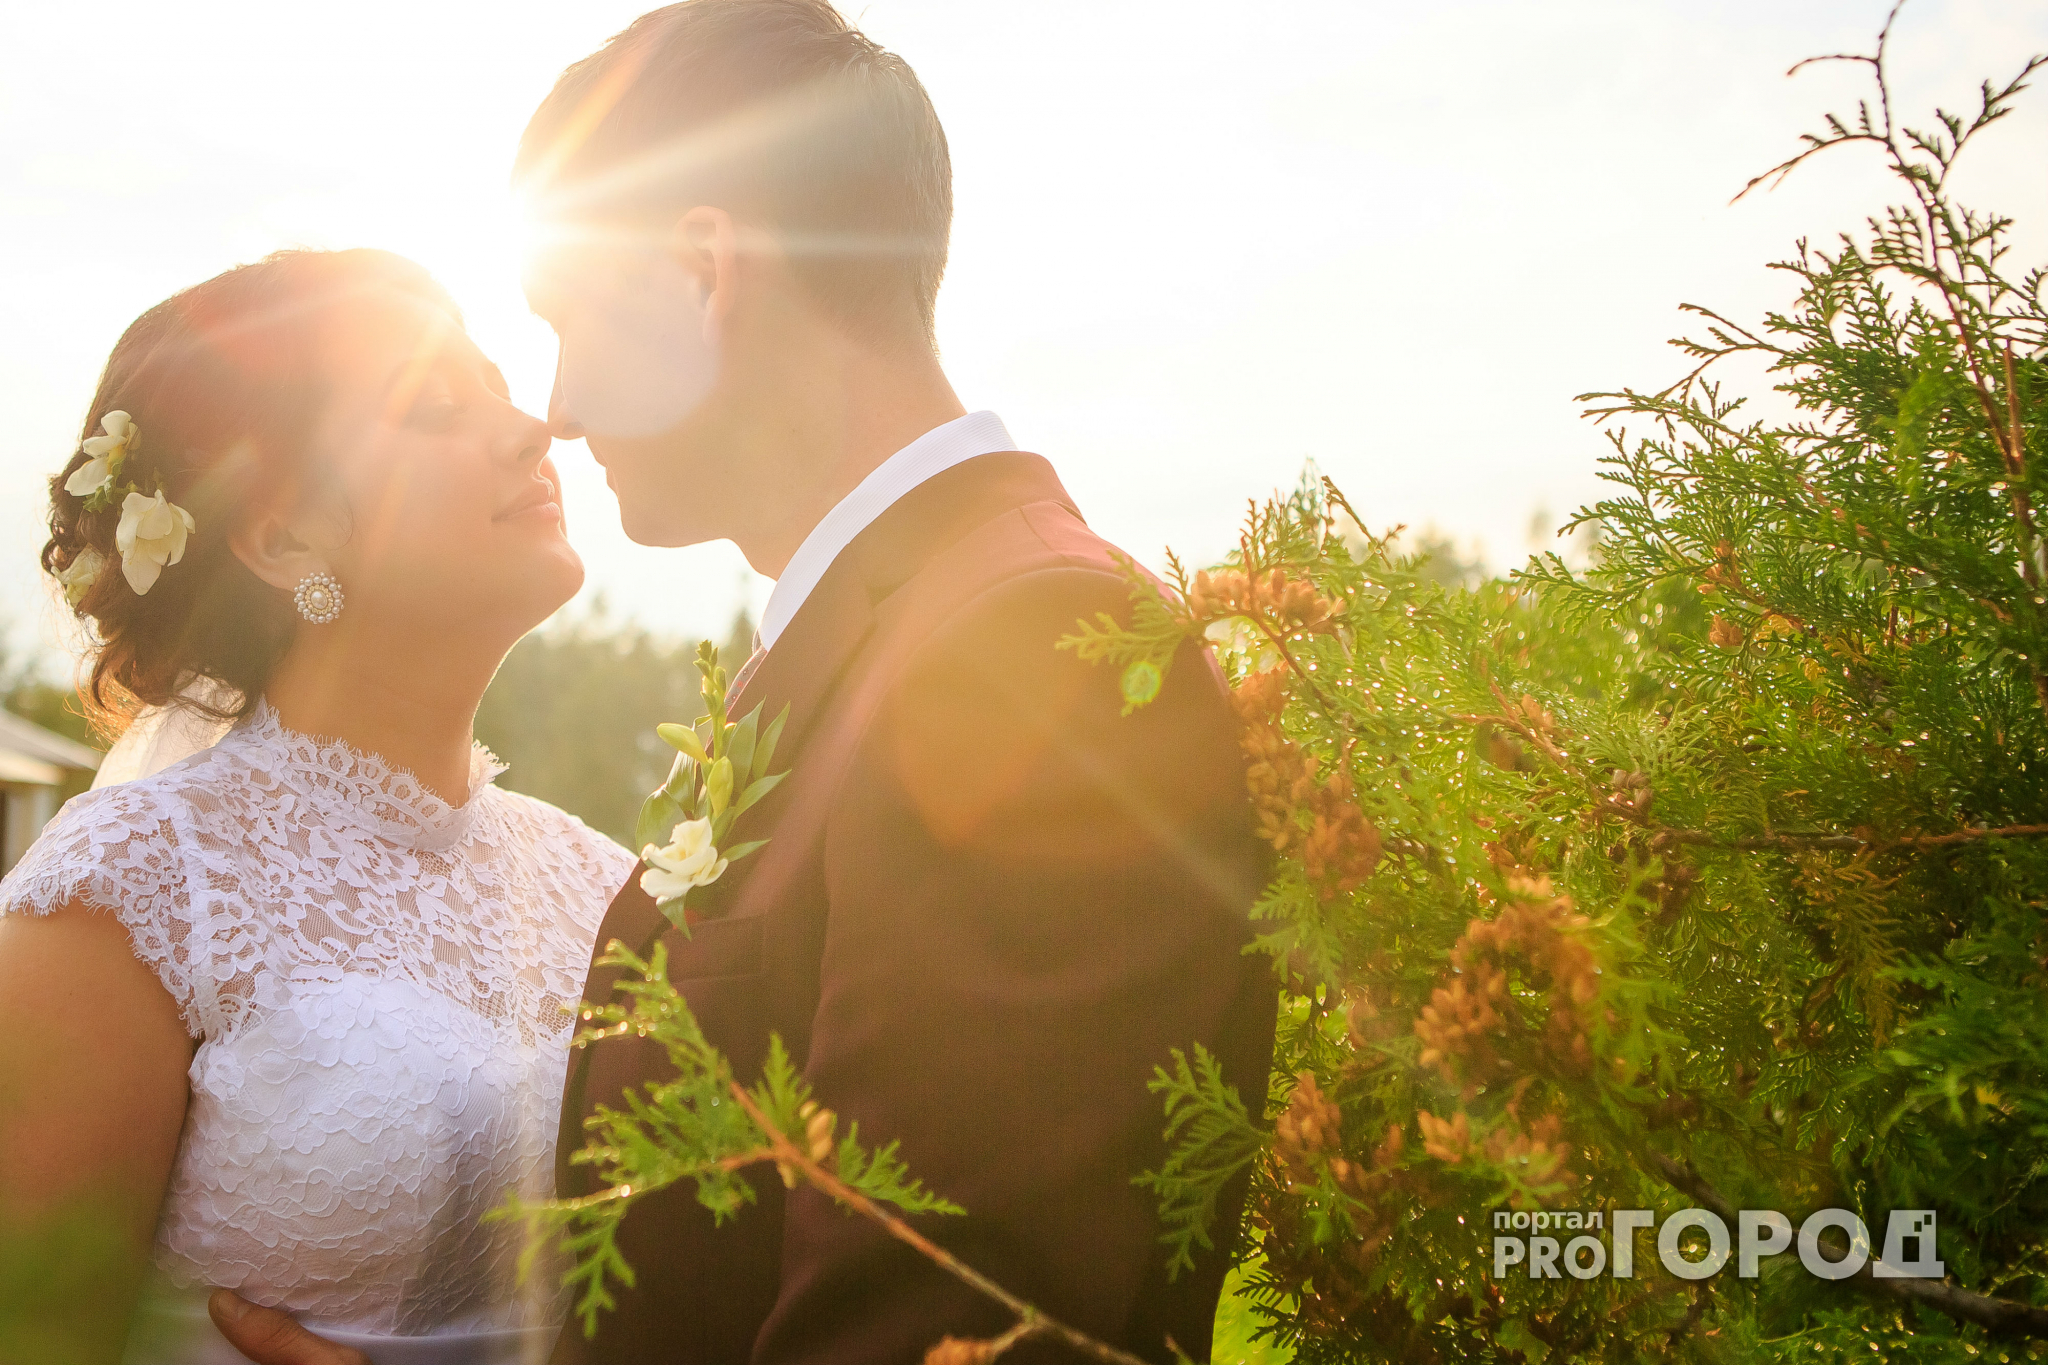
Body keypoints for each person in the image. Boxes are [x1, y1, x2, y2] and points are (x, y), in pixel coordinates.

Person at [215, 1, 1278, 1361]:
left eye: (568, 320)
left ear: (701, 272)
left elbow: (922, 1332)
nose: (560, 403)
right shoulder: (889, 635)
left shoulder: (1020, 655)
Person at [0, 248, 637, 1365]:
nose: (528, 427)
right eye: (438, 407)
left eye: (495, 385)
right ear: (286, 538)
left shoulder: (602, 882)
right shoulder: (136, 886)